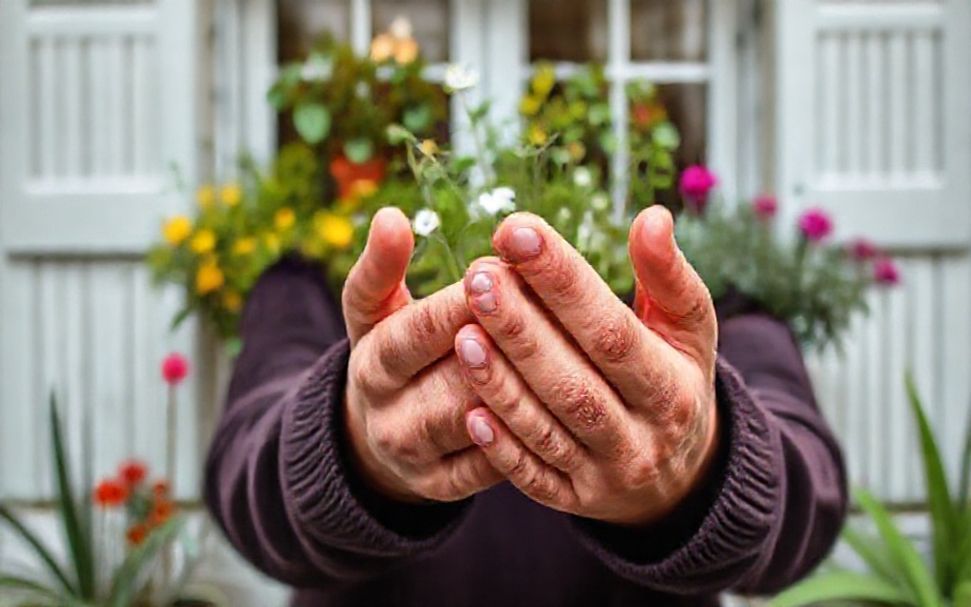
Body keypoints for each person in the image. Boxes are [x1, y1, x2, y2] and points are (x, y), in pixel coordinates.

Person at [204, 206, 847, 606]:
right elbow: (242, 470)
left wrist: (698, 462)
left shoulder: (716, 286)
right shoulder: (309, 277)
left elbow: (807, 497)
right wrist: (353, 449)